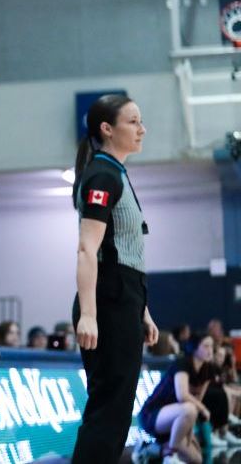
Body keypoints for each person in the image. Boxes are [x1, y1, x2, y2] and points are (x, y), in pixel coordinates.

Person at [70, 93, 160, 463]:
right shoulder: (103, 176)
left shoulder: (115, 173)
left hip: (124, 298)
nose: (142, 129)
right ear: (107, 129)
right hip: (107, 301)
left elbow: (125, 251)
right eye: (133, 122)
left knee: (116, 410)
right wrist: (89, 314)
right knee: (108, 410)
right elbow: (88, 250)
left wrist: (143, 310)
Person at [139, 334, 218, 463]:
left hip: (180, 420)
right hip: (154, 415)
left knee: (196, 459)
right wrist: (203, 409)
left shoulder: (208, 369)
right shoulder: (183, 362)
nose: (210, 350)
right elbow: (183, 396)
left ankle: (149, 448)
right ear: (195, 348)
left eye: (212, 346)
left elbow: (197, 401)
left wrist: (189, 430)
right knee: (190, 409)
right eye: (206, 346)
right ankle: (170, 455)